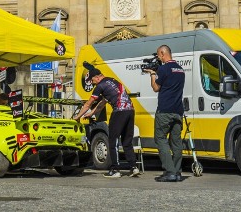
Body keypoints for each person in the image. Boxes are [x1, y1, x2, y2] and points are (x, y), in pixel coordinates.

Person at [72, 62, 140, 178]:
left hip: (119, 112)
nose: (93, 84)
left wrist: (77, 117)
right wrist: (92, 113)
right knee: (127, 141)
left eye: (93, 81)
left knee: (112, 140)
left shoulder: (100, 86)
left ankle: (115, 169)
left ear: (97, 77)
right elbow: (102, 103)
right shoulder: (113, 81)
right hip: (130, 110)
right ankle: (133, 167)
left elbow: (88, 104)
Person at [144, 44, 185, 182]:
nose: (159, 58)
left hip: (165, 111)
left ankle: (170, 171)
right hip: (178, 111)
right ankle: (178, 172)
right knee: (176, 142)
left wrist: (152, 74)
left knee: (161, 139)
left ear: (163, 53)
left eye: (159, 55)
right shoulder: (180, 70)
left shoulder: (164, 69)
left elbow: (156, 87)